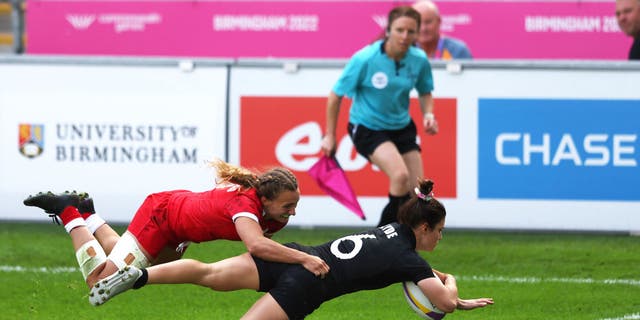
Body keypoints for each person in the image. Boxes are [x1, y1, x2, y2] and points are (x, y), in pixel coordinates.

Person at [88, 178, 494, 319]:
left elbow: (402, 266)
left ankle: (139, 276)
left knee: (207, 273)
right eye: (438, 232)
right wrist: (454, 285)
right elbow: (442, 305)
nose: (439, 239)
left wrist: (430, 273)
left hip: (295, 253)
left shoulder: (392, 231)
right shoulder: (408, 258)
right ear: (423, 227)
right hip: (306, 284)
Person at [23, 159, 330, 304]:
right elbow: (257, 247)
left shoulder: (273, 214)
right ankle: (68, 211)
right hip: (162, 217)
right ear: (265, 199)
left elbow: (264, 246)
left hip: (179, 230)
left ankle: (88, 213)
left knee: (130, 270)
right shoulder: (245, 206)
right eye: (288, 206)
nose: (293, 212)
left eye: (295, 205)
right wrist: (304, 259)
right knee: (99, 283)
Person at [322, 5, 438, 227]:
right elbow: (335, 96)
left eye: (411, 31)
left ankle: (400, 243)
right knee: (400, 176)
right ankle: (382, 238)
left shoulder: (419, 59)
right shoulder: (365, 59)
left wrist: (429, 114)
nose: (405, 36)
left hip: (402, 126)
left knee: (420, 193)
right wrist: (330, 135)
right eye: (400, 30)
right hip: (367, 127)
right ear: (388, 30)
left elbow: (425, 92)